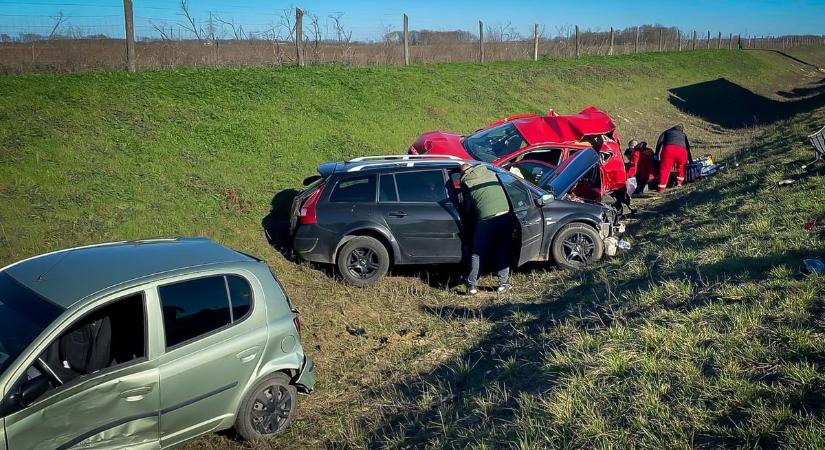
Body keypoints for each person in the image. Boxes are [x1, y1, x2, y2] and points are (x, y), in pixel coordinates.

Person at [459, 163, 513, 295]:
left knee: (477, 252)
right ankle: (503, 284)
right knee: (502, 249)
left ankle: (471, 285)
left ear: (463, 173)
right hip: (505, 213)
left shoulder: (466, 182)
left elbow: (467, 208)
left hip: (487, 219)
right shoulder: (491, 172)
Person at [654, 124, 693, 191]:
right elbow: (687, 148)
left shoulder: (667, 132)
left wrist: (656, 153)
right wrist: (690, 159)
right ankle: (679, 184)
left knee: (665, 169)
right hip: (682, 151)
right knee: (682, 167)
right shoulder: (683, 134)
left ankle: (661, 188)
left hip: (668, 149)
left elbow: (660, 142)